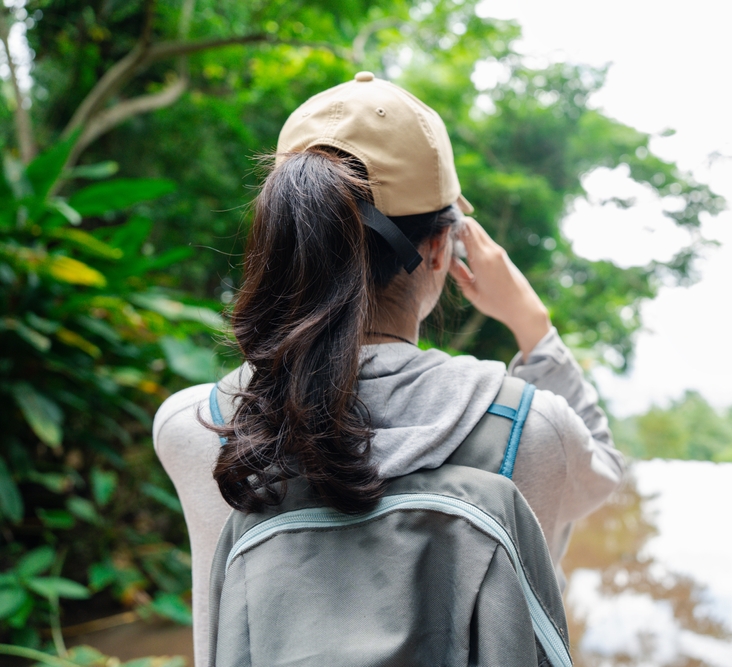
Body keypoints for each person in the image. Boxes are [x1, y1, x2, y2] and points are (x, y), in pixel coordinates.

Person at [152, 72, 624, 667]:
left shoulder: (197, 427)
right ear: (440, 247)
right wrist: (533, 326)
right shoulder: (530, 430)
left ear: (286, 238)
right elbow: (605, 469)